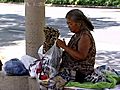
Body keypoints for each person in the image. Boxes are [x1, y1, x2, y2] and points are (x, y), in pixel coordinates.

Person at [56, 9, 96, 84]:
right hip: (72, 70)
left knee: (51, 83)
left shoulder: (84, 36)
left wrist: (65, 47)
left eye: (70, 23)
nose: (68, 26)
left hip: (80, 73)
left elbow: (81, 56)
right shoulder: (77, 34)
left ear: (78, 23)